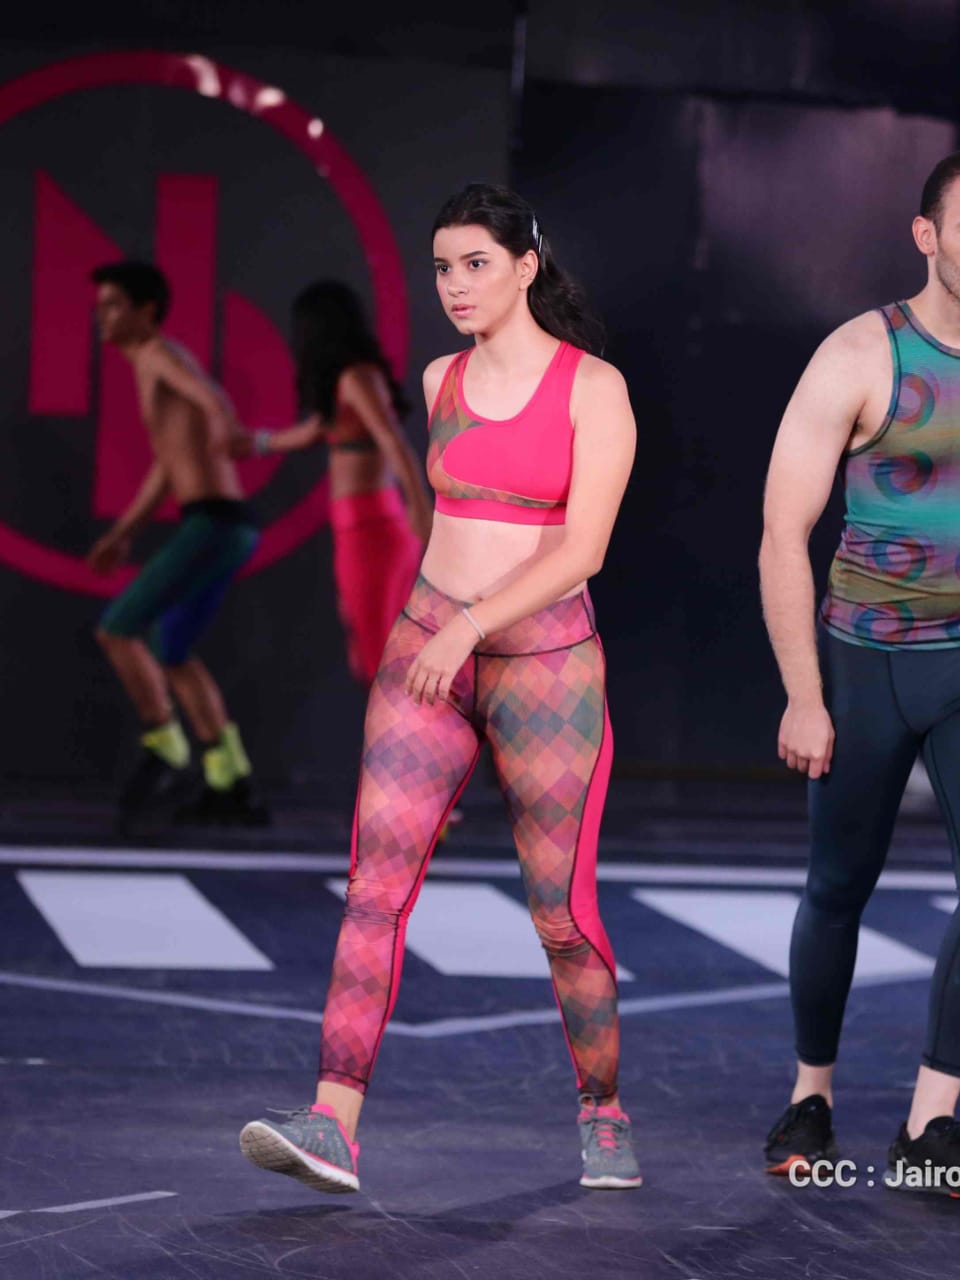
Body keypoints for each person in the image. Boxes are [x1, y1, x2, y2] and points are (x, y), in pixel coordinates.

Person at [240, 184, 641, 1193]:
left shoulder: (593, 387)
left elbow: (583, 549)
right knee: (374, 888)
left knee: (559, 915)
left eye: (474, 264)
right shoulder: (438, 377)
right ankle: (332, 1122)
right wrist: (444, 621)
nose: (454, 285)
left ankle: (602, 1108)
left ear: (524, 267)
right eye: (441, 268)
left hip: (543, 667)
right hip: (428, 650)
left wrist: (473, 621)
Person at [757, 150, 960, 1198]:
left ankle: (929, 1123)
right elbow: (782, 532)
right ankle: (810, 1094)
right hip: (865, 664)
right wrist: (804, 694)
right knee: (837, 884)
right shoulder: (855, 357)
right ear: (925, 236)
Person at [87, 261, 265, 827]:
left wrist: (227, 424)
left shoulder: (159, 354)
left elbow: (210, 396)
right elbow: (167, 468)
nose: (101, 315)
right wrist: (123, 534)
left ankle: (165, 746)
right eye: (100, 304)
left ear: (146, 311)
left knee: (118, 628)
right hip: (222, 525)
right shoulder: (150, 364)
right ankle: (232, 781)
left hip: (214, 525)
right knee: (172, 652)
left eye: (113, 304)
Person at [234, 281, 432, 686]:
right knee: (368, 648)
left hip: (376, 529)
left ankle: (413, 728)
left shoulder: (358, 378)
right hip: (357, 529)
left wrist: (420, 508)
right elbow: (310, 433)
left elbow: (393, 442)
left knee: (382, 653)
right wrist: (256, 443)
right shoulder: (344, 382)